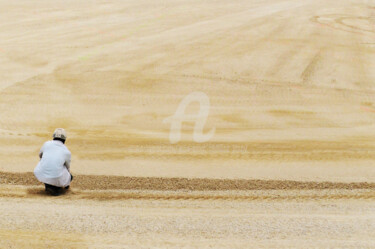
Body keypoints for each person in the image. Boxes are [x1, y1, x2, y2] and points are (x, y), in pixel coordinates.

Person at [34, 128, 73, 196]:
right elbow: (67, 167)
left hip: (40, 173)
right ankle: (56, 188)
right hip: (56, 177)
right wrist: (68, 182)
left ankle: (48, 185)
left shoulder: (46, 144)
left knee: (44, 162)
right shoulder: (67, 152)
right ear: (64, 139)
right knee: (69, 175)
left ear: (54, 137)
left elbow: (40, 155)